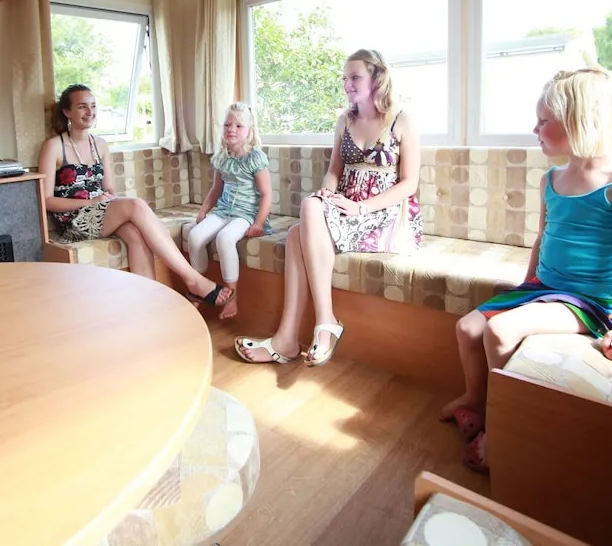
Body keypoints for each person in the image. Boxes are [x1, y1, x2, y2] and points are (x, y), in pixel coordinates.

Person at [439, 67, 612, 475]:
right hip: (544, 287)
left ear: (579, 121)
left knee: (499, 331)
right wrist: (527, 286)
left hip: (590, 300)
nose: (535, 129)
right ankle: (475, 399)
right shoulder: (552, 178)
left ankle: (501, 425)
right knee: (467, 328)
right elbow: (542, 238)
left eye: (543, 121)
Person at [234, 49, 422, 367]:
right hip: (344, 208)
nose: (347, 84)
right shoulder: (345, 121)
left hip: (383, 216)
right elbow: (334, 171)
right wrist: (327, 194)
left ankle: (323, 322)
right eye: (344, 78)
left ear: (377, 78)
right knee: (300, 227)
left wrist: (360, 208)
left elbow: (409, 184)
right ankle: (289, 338)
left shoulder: (401, 120)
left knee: (304, 220)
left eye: (355, 77)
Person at [38, 83, 234, 307]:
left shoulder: (100, 145)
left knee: (136, 235)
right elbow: (46, 201)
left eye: (93, 106)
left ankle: (148, 307)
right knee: (136, 205)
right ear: (67, 112)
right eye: (82, 106)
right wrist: (93, 201)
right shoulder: (54, 146)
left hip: (100, 212)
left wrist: (109, 201)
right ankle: (194, 280)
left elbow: (109, 189)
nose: (90, 112)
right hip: (73, 221)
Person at [188, 102, 272, 320]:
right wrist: (203, 210)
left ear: (249, 131)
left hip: (247, 213)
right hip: (223, 211)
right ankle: (199, 287)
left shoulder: (255, 158)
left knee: (225, 238)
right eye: (227, 125)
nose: (231, 129)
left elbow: (266, 194)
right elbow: (216, 189)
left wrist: (259, 223)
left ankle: (231, 295)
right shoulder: (222, 157)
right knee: (194, 236)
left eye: (238, 126)